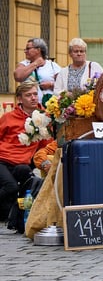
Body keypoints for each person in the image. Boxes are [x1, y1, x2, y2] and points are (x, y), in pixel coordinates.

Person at [0, 83, 50, 222]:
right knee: (11, 187)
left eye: (35, 94)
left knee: (27, 177)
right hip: (2, 160)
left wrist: (44, 161)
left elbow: (45, 146)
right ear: (20, 99)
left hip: (23, 163)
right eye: (28, 95)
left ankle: (17, 215)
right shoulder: (8, 117)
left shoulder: (44, 118)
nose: (33, 98)